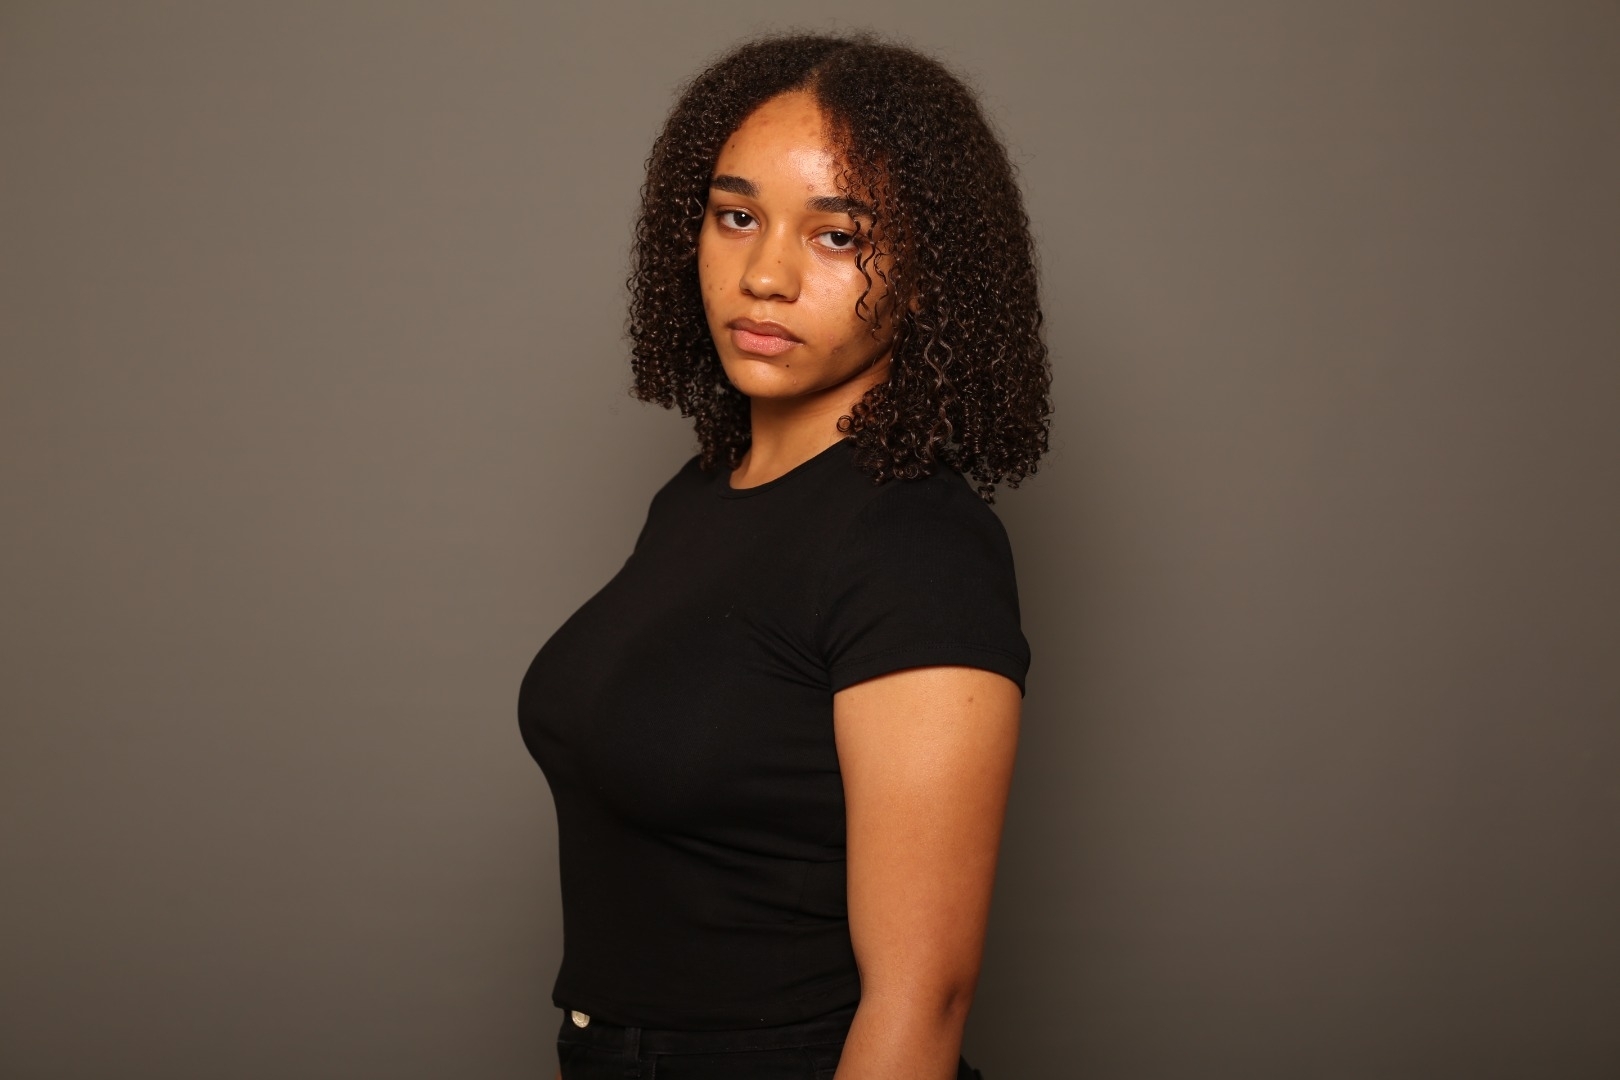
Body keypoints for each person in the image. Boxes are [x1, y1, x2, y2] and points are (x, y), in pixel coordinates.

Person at [517, 32, 1051, 1080]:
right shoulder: (701, 495)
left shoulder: (915, 545)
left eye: (839, 236)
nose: (765, 275)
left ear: (928, 272)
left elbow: (923, 1000)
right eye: (737, 217)